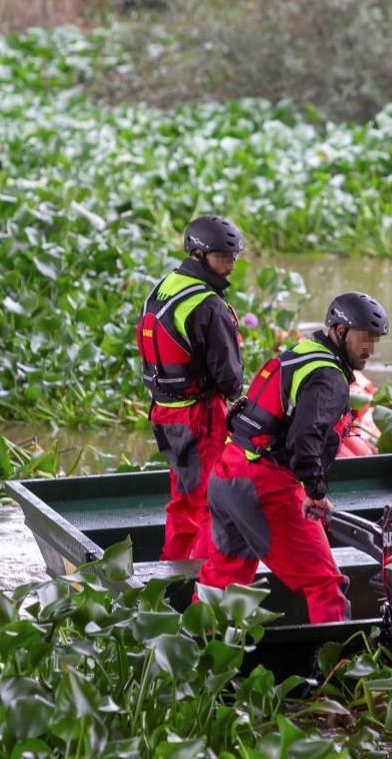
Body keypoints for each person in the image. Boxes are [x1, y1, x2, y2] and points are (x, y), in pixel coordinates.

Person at [198, 291, 389, 623]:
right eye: (364, 338)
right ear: (340, 332)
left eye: (376, 340)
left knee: (223, 581)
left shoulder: (300, 353)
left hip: (227, 473)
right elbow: (305, 439)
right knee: (324, 584)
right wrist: (315, 493)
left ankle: (200, 659)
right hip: (264, 485)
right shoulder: (329, 377)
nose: (371, 349)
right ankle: (334, 671)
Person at [136, 215, 245, 560]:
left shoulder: (165, 286)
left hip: (163, 412)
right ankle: (204, 581)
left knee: (182, 498)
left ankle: (175, 569)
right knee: (210, 503)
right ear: (198, 254)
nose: (228, 267)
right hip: (200, 417)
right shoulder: (209, 305)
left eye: (233, 258)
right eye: (221, 257)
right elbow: (230, 380)